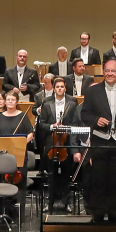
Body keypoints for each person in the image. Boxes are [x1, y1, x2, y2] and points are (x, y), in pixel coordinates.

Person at [79, 58, 116, 223]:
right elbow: (84, 114)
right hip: (100, 142)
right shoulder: (92, 91)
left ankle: (114, 214)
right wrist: (95, 120)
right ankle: (97, 214)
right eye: (107, 70)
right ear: (103, 72)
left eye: (113, 71)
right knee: (98, 179)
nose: (110, 73)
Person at [0, 88, 34, 220]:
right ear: (5, 102)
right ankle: (2, 213)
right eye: (8, 100)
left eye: (13, 100)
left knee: (19, 185)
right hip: (1, 157)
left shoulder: (23, 117)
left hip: (19, 155)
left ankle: (17, 215)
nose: (10, 102)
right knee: (1, 183)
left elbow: (31, 133)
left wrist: (22, 142)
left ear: (17, 101)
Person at [37, 76, 83, 212]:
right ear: (54, 88)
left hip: (66, 143)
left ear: (65, 88)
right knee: (51, 175)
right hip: (51, 144)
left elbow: (75, 124)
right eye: (57, 87)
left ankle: (66, 202)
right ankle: (49, 203)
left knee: (66, 174)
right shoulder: (46, 103)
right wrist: (52, 127)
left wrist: (64, 129)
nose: (60, 89)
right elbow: (41, 125)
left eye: (62, 87)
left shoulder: (73, 103)